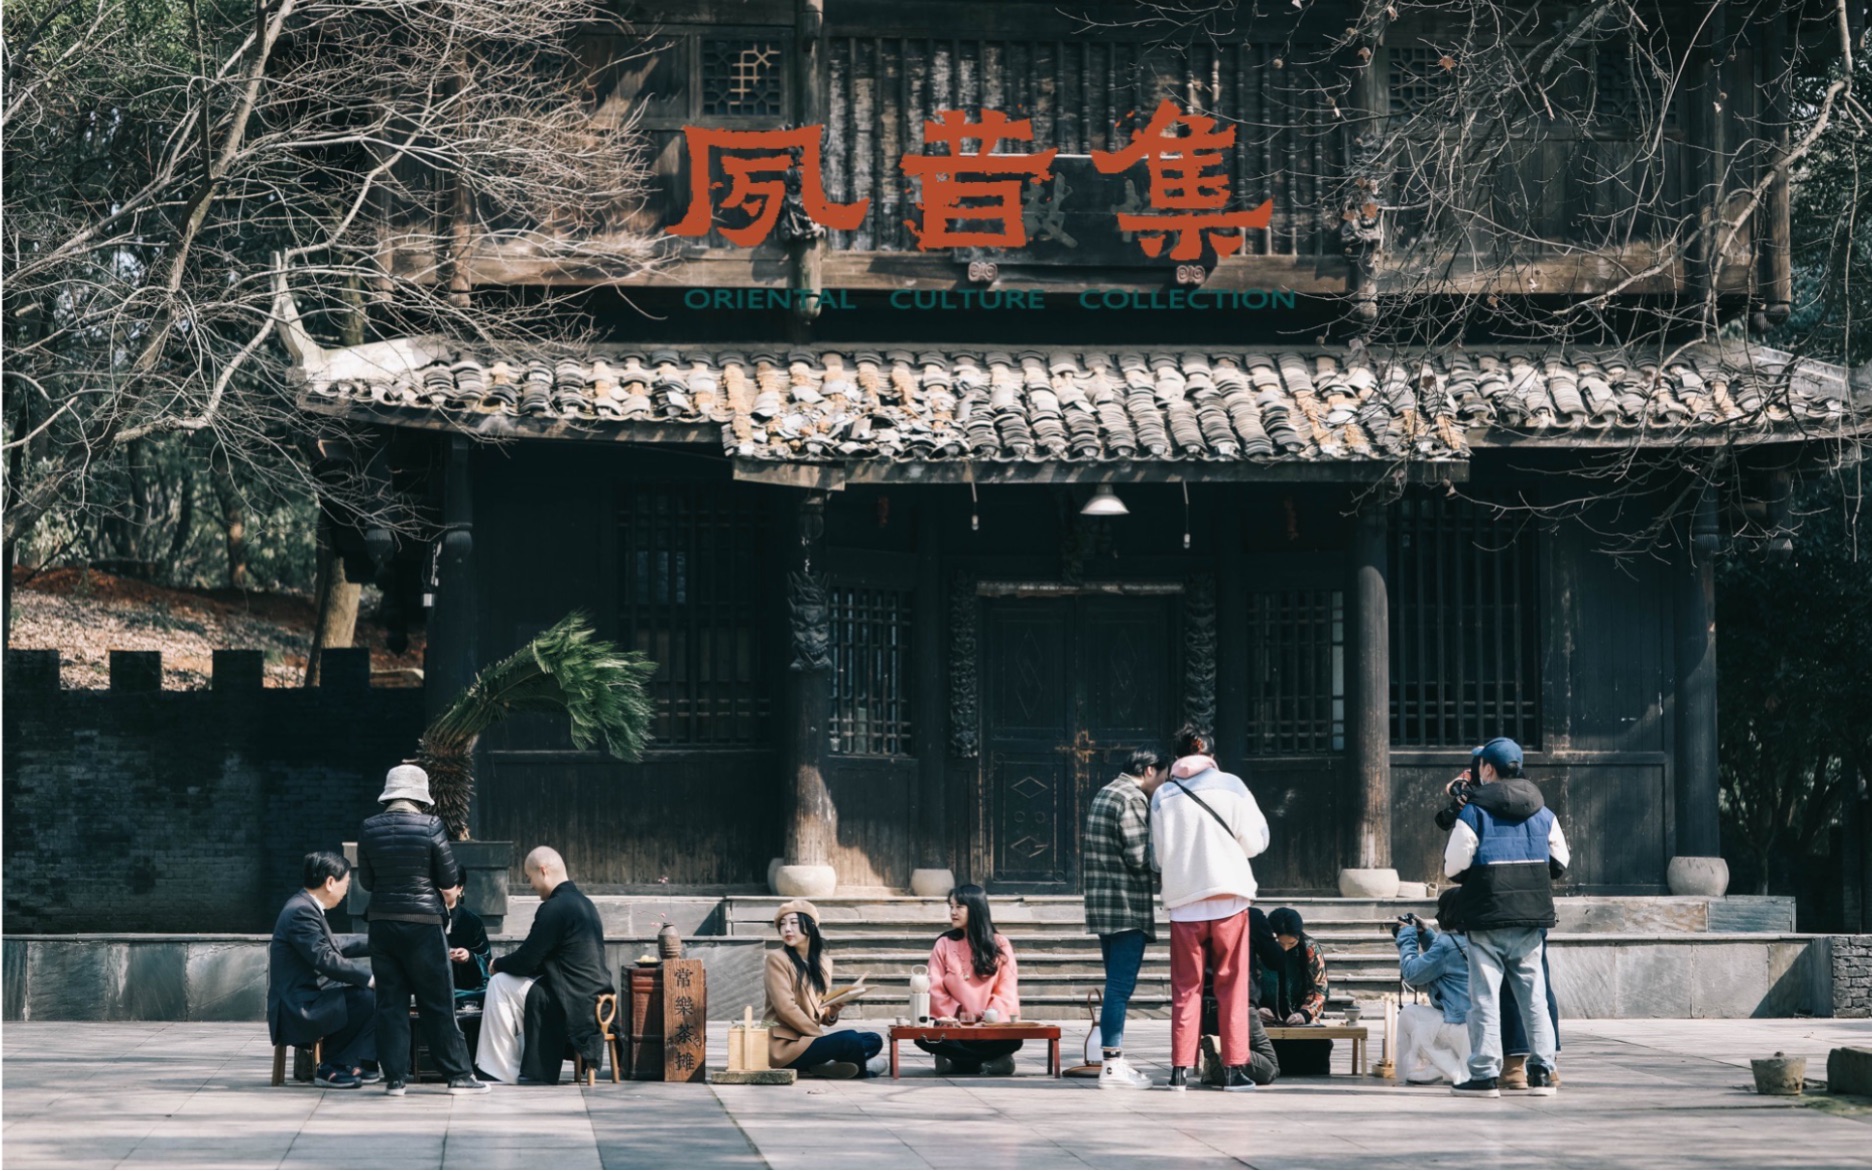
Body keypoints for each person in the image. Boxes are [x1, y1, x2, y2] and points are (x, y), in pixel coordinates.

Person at [1443, 736, 1568, 1098]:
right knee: (1534, 997)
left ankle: (1483, 1074)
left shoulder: (1474, 811)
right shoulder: (1544, 812)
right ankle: (1542, 1071)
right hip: (1531, 917)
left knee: (1484, 997)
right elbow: (1560, 861)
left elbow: (1455, 866)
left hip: (1486, 916)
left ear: (1487, 769)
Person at [357, 763, 488, 1096]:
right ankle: (458, 1076)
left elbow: (367, 881)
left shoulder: (369, 828)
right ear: (420, 796)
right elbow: (447, 880)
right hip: (423, 924)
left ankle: (395, 1080)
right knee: (437, 1001)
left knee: (390, 1002)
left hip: (382, 924)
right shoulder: (431, 826)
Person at [1151, 723, 1269, 1092]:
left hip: (1185, 903)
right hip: (1228, 897)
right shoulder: (1232, 786)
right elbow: (1255, 842)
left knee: (1186, 989)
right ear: (1210, 755)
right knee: (1232, 985)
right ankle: (1234, 1069)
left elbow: (1157, 856)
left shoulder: (1164, 794)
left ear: (1177, 755)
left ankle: (1179, 1071)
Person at [478, 847, 614, 1085]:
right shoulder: (584, 903)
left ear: (543, 871)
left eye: (529, 878)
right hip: (594, 999)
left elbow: (528, 960)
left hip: (573, 1004)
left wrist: (496, 964)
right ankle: (516, 1063)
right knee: (516, 988)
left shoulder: (555, 908)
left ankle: (498, 1070)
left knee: (500, 983)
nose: (530, 885)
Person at [1081, 746, 1168, 1090]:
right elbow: (1136, 855)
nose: (1162, 784)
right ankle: (1113, 1063)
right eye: (1162, 776)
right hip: (1126, 907)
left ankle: (1112, 1059)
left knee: (1113, 986)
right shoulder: (1131, 798)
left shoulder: (1105, 792)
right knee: (1120, 988)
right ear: (1149, 769)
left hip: (1103, 906)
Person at [267, 851, 377, 1089]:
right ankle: (331, 1066)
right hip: (298, 1008)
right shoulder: (301, 911)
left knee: (364, 996)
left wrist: (377, 942)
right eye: (345, 884)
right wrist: (368, 978)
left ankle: (356, 1062)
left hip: (306, 998)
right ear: (329, 882)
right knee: (366, 998)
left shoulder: (303, 906)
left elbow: (335, 945)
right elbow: (325, 958)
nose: (346, 891)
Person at [764, 900, 887, 1078]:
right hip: (785, 1044)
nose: (787, 929)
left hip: (809, 1040)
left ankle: (823, 1064)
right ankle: (861, 1069)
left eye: (794, 923)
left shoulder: (823, 962)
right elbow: (785, 1008)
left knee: (874, 1039)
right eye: (782, 925)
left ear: (811, 926)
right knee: (849, 1039)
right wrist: (820, 1038)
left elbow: (819, 1009)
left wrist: (832, 1011)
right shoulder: (777, 959)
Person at [919, 885, 1023, 1076]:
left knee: (1015, 1037)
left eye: (959, 907)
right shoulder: (944, 943)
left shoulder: (1000, 944)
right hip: (954, 1027)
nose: (953, 912)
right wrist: (956, 1017)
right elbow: (934, 988)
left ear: (975, 908)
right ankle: (989, 1062)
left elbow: (1006, 989)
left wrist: (987, 1019)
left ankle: (958, 1061)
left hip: (988, 1027)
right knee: (923, 1036)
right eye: (951, 906)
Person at [1393, 888, 1472, 1085]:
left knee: (1408, 1014)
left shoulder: (1446, 944)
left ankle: (1429, 1068)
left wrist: (1407, 937)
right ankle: (1441, 1067)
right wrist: (1427, 935)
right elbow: (1447, 960)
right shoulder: (1478, 939)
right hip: (1482, 1026)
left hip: (1459, 1026)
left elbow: (1412, 973)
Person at [1261, 906, 1333, 1076]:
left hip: (1302, 1025)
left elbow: (1320, 989)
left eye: (1291, 944)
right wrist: (1255, 1008)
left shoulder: (1310, 948)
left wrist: (1305, 1013)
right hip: (1267, 1025)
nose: (1285, 949)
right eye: (1280, 943)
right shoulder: (1260, 949)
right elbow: (1247, 985)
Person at [442, 882, 492, 1059]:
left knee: (490, 993)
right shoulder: (426, 919)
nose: (441, 889)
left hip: (466, 988)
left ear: (460, 888)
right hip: (434, 984)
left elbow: (486, 960)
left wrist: (469, 957)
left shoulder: (472, 921)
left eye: (446, 885)